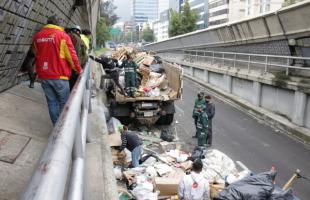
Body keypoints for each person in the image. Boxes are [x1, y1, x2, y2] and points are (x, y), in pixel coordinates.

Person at [32, 15, 82, 125]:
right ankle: (64, 128)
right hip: (60, 76)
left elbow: (36, 53)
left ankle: (56, 126)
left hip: (44, 76)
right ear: (58, 24)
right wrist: (79, 70)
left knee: (51, 103)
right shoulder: (63, 36)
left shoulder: (37, 36)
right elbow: (72, 57)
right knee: (64, 103)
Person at [66, 25, 88, 90]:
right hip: (76, 67)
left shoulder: (70, 37)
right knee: (72, 86)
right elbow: (84, 55)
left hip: (70, 66)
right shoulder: (81, 41)